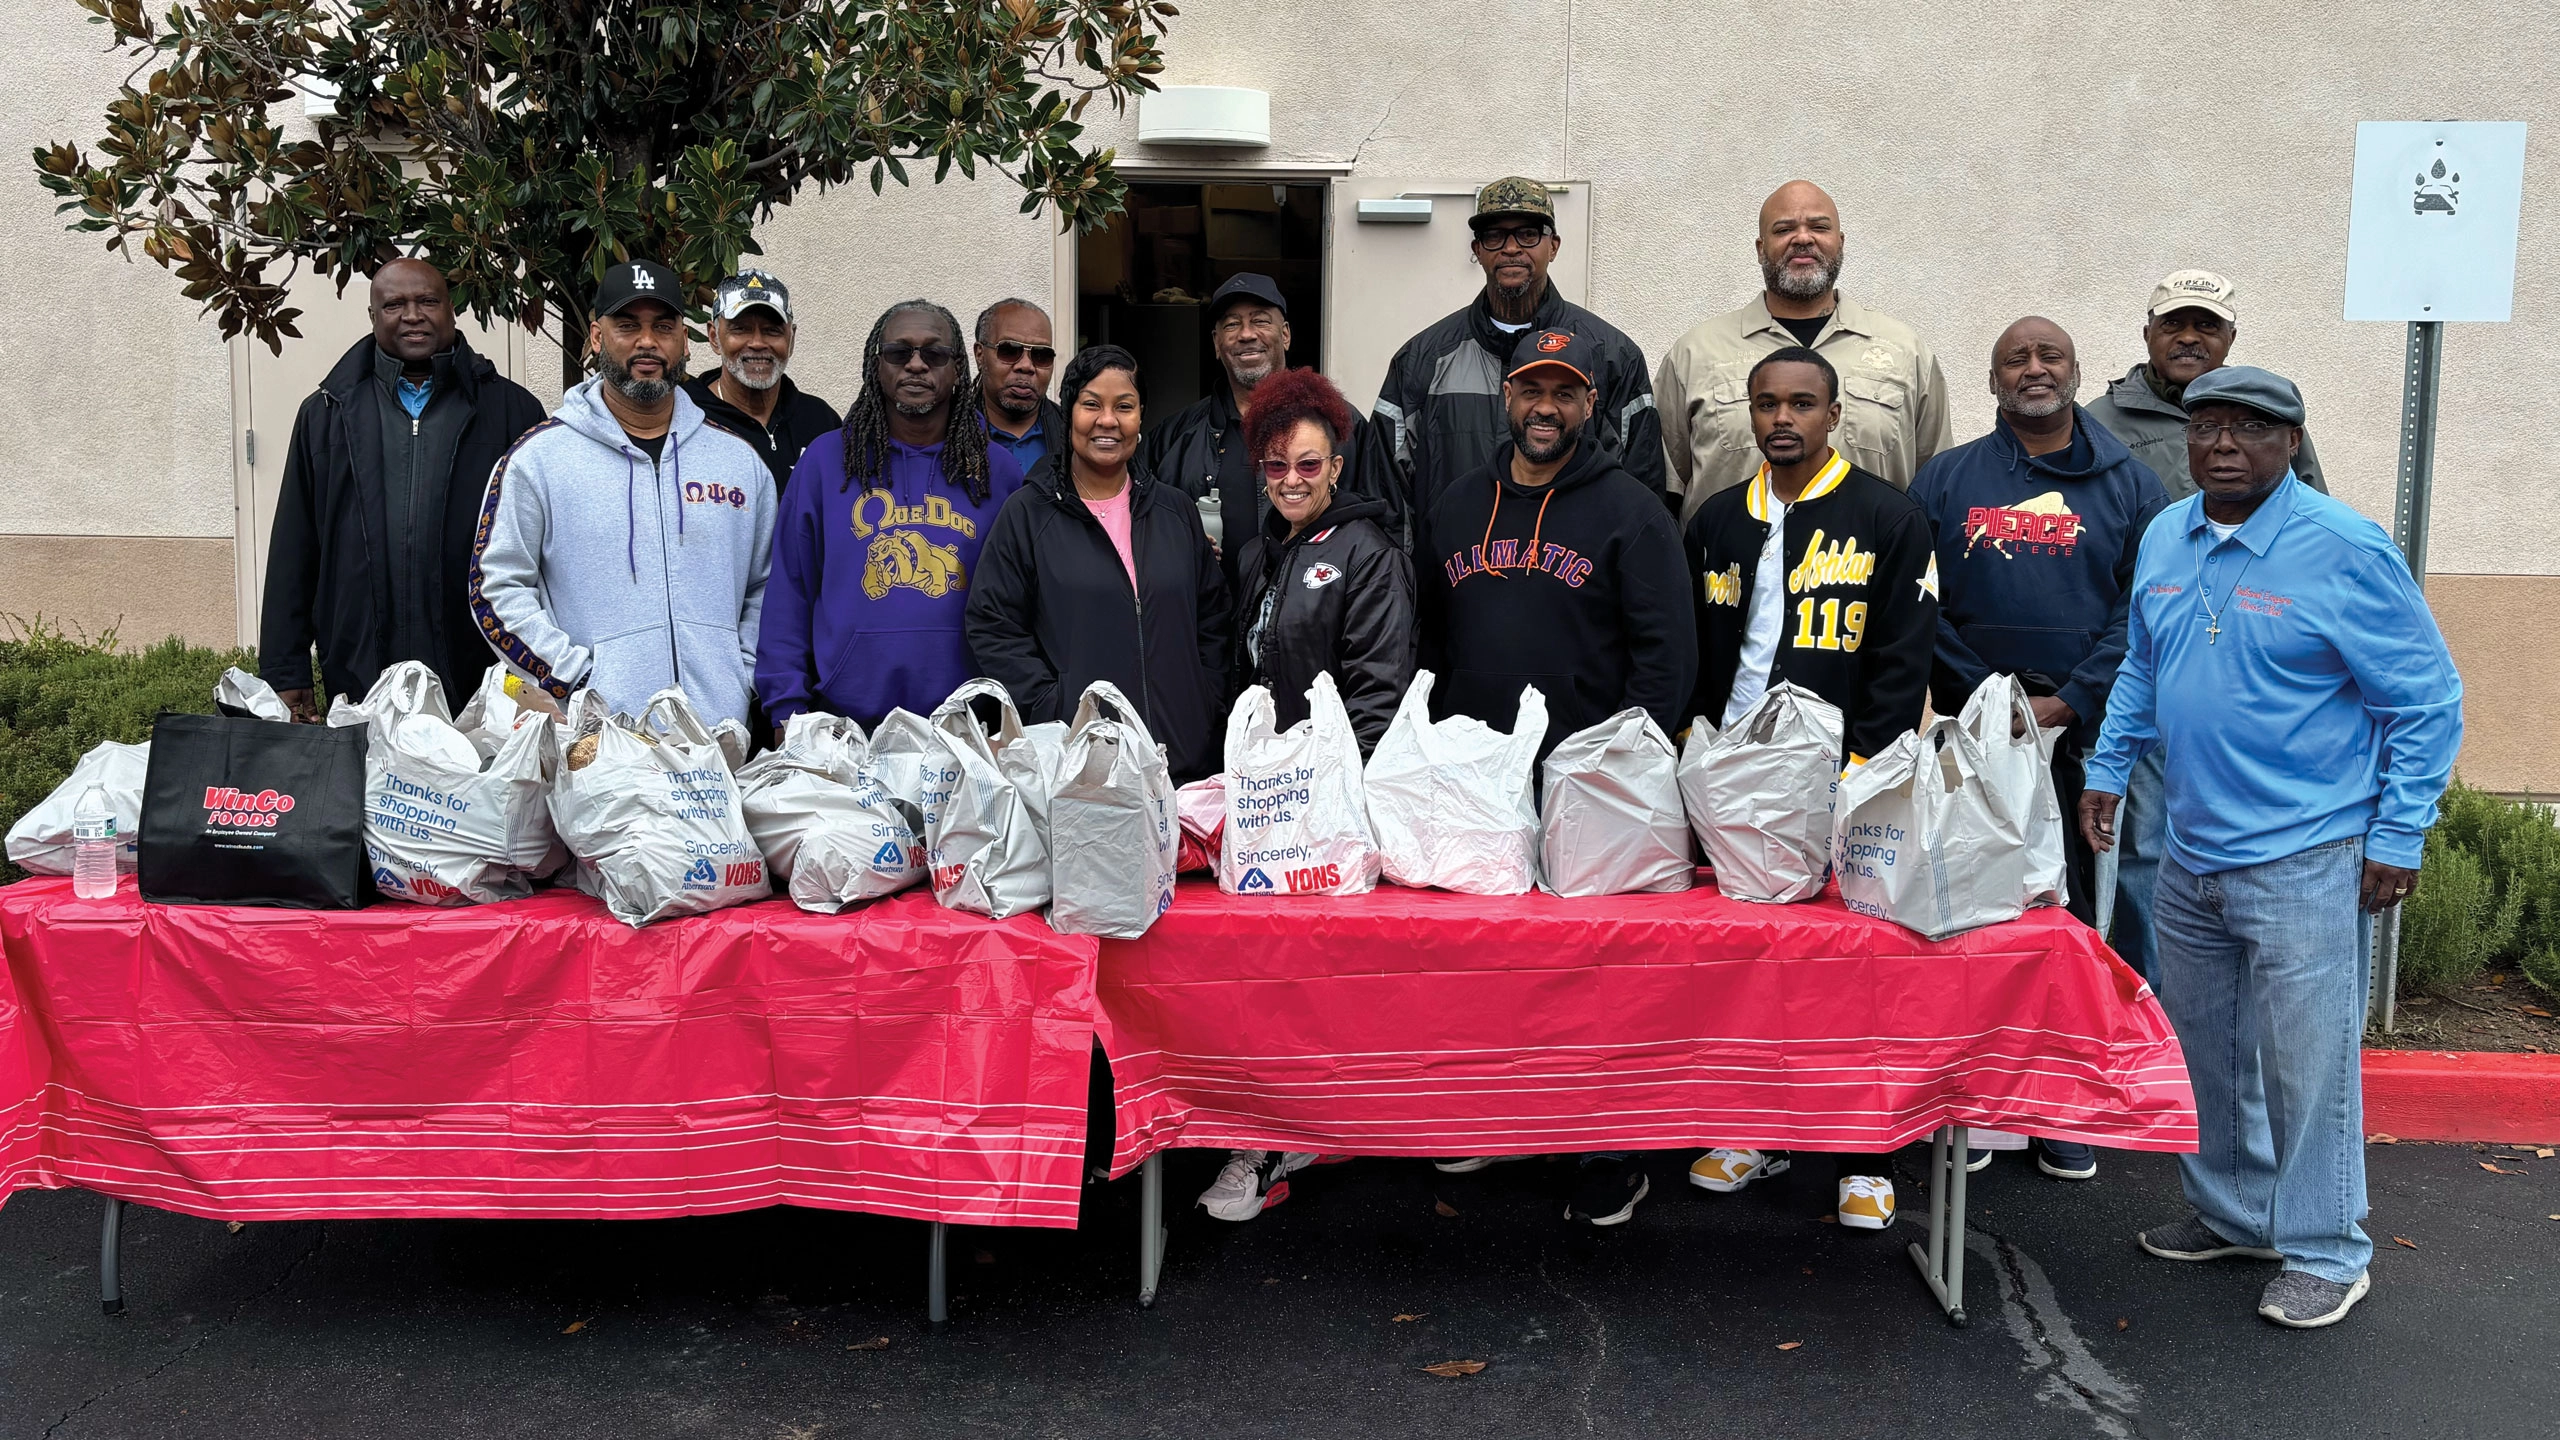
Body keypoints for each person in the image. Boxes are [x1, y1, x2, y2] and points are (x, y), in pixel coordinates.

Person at [2081, 366, 2461, 1331]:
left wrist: (2399, 831)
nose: (2222, 444)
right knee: (2207, 1051)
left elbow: (2425, 702)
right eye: (2206, 424)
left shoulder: (2345, 548)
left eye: (2250, 428)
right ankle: (2236, 1214)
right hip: (2191, 849)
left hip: (2310, 853)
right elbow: (2144, 663)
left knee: (2306, 1066)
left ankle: (2328, 1248)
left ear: (2291, 443)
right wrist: (2109, 767)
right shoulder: (2168, 534)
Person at [1418, 327, 1694, 1228]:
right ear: (1506, 397)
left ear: (1590, 405)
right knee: (1486, 964)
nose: (1546, 407)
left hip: (1590, 786)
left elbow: (1666, 656)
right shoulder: (1459, 503)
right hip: (1478, 782)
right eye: (1532, 389)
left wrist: (1622, 770)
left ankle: (1606, 1146)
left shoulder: (1631, 510)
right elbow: (1429, 638)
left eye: (1565, 393)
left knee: (1593, 976)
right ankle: (1492, 1116)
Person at [1682, 346, 1937, 1231]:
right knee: (1751, 971)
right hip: (1738, 782)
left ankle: (1864, 1152)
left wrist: (1867, 769)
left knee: (1854, 973)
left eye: (1801, 404)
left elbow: (1903, 657)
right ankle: (1757, 1128)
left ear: (1834, 415)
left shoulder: (1888, 516)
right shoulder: (1718, 518)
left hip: (1845, 778)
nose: (1782, 418)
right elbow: (1697, 648)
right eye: (1767, 404)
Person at [1908, 318, 2166, 1183]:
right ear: (1992, 381)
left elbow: (2142, 609)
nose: (2033, 368)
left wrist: (2070, 699)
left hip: (2080, 737)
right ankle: (1980, 1098)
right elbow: (1917, 597)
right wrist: (1988, 698)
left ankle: (2060, 1102)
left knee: (2070, 919)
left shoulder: (2130, 484)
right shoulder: (1946, 479)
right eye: (2015, 358)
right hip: (1974, 732)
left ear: (2077, 371)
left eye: (2049, 355)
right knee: (1976, 913)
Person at [1194, 367, 1416, 1223]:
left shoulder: (1366, 551)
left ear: (1338, 467)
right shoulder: (1261, 553)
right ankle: (1273, 1133)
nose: (1292, 480)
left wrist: (1330, 800)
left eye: (1309, 465)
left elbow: (1377, 690)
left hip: (1323, 809)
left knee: (1308, 982)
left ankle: (1281, 1140)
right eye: (1277, 466)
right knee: (1259, 980)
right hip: (1264, 805)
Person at [2083, 270, 2331, 982]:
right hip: (2154, 662)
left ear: (2230, 337)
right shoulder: (2103, 421)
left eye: (2206, 326)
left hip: (2251, 673)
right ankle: (2156, 995)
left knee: (2253, 847)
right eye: (2174, 324)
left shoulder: (2269, 419)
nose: (2189, 338)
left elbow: (2311, 531)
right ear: (2148, 334)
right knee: (2144, 848)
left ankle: (2241, 982)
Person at [469, 260, 775, 725]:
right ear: (597, 337)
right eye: (628, 325)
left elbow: (766, 587)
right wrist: (576, 678)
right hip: (598, 737)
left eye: (663, 327)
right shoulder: (538, 460)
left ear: (685, 342)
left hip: (718, 736)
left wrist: (742, 676)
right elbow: (495, 586)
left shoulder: (739, 464)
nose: (647, 341)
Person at [260, 258, 545, 715]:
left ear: (452, 310)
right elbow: (295, 550)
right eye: (394, 305)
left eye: (428, 301)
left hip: (481, 676)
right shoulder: (326, 414)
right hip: (358, 672)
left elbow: (544, 557)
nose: (413, 315)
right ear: (373, 316)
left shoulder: (513, 412)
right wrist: (284, 669)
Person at [756, 300, 1025, 733]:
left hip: (967, 727)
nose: (916, 365)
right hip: (844, 725)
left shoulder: (998, 471)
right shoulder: (825, 462)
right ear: (875, 366)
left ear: (958, 368)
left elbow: (1019, 608)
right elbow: (790, 593)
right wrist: (785, 709)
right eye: (899, 353)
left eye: (934, 353)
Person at [966, 345, 1231, 782]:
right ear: (1069, 413)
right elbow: (993, 624)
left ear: (1140, 417)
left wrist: (1205, 701)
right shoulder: (1029, 513)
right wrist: (1053, 707)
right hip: (1082, 770)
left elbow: (1213, 617)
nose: (1108, 420)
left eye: (1124, 406)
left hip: (1182, 764)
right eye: (1091, 404)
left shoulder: (1176, 510)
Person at [1373, 177, 1666, 540]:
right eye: (1494, 236)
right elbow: (1387, 501)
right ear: (1477, 250)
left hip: (1573, 571)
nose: (1511, 248)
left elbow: (1641, 492)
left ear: (1553, 246)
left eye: (1528, 234)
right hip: (1454, 570)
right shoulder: (1422, 359)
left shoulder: (1611, 357)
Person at [1655, 180, 1952, 522]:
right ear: (1760, 248)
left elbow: (1936, 489)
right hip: (1731, 557)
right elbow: (1663, 491)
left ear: (1840, 243)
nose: (1803, 238)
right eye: (1784, 229)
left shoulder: (1905, 352)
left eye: (1819, 227)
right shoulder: (1696, 353)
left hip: (1871, 556)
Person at [1142, 274, 1393, 569]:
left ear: (1285, 335)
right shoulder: (1173, 436)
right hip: (1205, 599)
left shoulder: (1341, 426)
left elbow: (1380, 524)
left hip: (1316, 597)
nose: (1247, 334)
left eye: (1260, 321)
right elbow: (1145, 528)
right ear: (1216, 343)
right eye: (1232, 324)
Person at [681, 270, 839, 496]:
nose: (757, 343)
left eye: (772, 330)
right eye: (741, 329)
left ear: (791, 339)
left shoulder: (820, 421)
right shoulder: (686, 416)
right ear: (714, 337)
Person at [973, 298, 1063, 477]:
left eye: (1041, 355)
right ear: (980, 355)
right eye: (1009, 350)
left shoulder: (1073, 436)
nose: (1026, 366)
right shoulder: (945, 432)